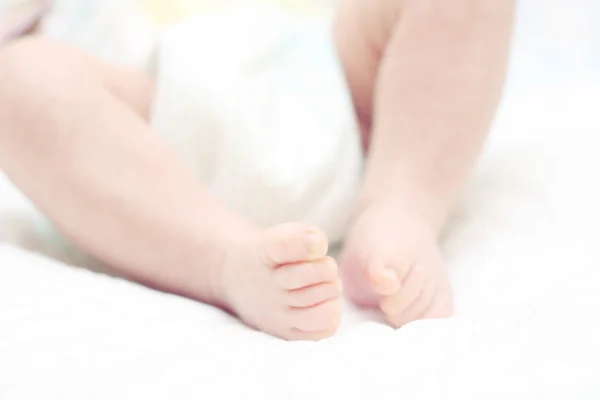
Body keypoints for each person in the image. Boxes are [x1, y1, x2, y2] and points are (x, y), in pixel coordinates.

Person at [0, 0, 514, 340]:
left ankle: (401, 203)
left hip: (325, 80)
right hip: (146, 125)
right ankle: (224, 260)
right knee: (16, 80)